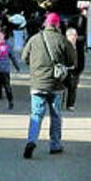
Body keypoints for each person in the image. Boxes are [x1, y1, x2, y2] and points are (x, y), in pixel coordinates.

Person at [21, 12, 76, 159]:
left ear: (46, 23)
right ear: (58, 24)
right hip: (56, 85)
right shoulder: (62, 40)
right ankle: (55, 145)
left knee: (36, 115)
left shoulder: (34, 39)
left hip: (37, 84)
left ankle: (31, 140)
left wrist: (36, 68)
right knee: (56, 115)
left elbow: (24, 57)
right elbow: (72, 61)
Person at [65, 27, 84, 111]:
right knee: (62, 87)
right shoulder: (63, 45)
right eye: (74, 35)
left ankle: (70, 104)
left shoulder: (79, 46)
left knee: (73, 87)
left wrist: (80, 69)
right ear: (68, 36)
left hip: (75, 70)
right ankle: (60, 103)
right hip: (64, 70)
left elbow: (82, 58)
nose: (75, 37)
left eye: (76, 35)